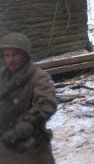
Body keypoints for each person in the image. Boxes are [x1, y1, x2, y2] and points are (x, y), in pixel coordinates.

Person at [0, 33, 57, 163]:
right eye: (7, 55)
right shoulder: (1, 76)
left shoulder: (39, 76)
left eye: (15, 55)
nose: (11, 59)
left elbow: (46, 104)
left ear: (25, 56)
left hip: (31, 143)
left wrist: (28, 123)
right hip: (4, 142)